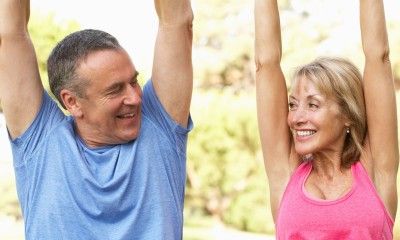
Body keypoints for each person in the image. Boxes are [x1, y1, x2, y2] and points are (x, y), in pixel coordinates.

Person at [0, 0, 193, 239]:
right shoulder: (41, 141)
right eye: (115, 90)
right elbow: (10, 35)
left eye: (133, 81)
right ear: (72, 102)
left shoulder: (160, 126)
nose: (135, 97)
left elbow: (176, 23)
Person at [255, 0, 398, 239]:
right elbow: (265, 64)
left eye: (313, 105)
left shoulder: (374, 171)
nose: (296, 118)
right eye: (293, 104)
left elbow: (379, 56)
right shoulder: (287, 173)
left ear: (347, 116)